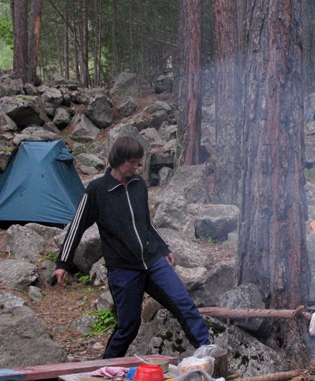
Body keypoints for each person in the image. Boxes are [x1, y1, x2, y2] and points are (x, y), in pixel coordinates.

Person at [55, 136, 211, 359]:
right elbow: (77, 226)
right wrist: (63, 262)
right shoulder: (97, 190)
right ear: (118, 160)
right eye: (133, 162)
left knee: (183, 303)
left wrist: (163, 247)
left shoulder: (138, 185)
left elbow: (146, 222)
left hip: (152, 260)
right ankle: (105, 367)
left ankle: (208, 353)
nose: (137, 167)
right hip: (123, 268)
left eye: (139, 162)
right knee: (128, 326)